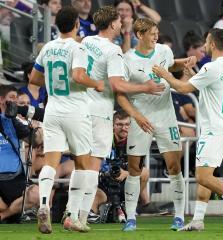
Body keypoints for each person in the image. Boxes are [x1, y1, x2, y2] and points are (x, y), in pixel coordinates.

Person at [153, 28, 223, 231]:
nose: (204, 45)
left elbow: (182, 89)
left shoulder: (211, 67)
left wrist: (164, 74)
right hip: (222, 126)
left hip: (213, 129)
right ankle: (198, 220)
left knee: (202, 176)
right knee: (205, 174)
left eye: (207, 41)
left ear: (213, 44)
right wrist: (195, 75)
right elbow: (209, 85)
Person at [80, 6, 164, 226]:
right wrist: (145, 87)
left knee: (82, 163)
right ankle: (83, 212)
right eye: (118, 21)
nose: (121, 23)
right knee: (94, 164)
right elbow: (117, 85)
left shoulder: (87, 41)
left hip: (80, 107)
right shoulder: (113, 50)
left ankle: (75, 210)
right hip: (99, 111)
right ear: (113, 24)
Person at [117, 17, 197, 231]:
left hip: (166, 116)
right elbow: (120, 94)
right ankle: (131, 218)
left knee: (174, 165)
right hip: (141, 118)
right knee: (134, 168)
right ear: (139, 35)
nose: (155, 37)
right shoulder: (127, 59)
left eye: (156, 33)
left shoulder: (164, 51)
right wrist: (137, 116)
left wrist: (184, 62)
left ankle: (179, 216)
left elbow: (171, 65)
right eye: (151, 34)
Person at [29, 6, 104, 234]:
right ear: (76, 25)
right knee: (82, 163)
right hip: (76, 111)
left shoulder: (48, 48)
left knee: (50, 161)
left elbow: (33, 78)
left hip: (52, 110)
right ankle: (71, 216)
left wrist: (52, 81)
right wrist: (96, 84)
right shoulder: (78, 47)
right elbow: (79, 76)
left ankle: (43, 204)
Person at [0, 85, 40, 223]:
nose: (15, 102)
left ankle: (4, 215)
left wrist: (35, 128)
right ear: (1, 100)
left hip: (16, 180)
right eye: (11, 98)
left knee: (36, 194)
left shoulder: (13, 122)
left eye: (16, 99)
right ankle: (11, 212)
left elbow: (36, 140)